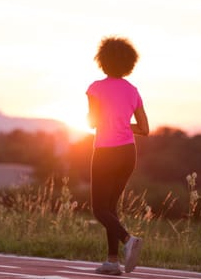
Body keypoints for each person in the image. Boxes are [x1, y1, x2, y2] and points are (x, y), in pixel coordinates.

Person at [86, 36, 149, 275]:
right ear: (128, 64)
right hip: (127, 154)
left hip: (105, 153)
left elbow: (92, 121)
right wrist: (122, 123)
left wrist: (102, 120)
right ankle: (112, 262)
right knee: (110, 208)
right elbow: (144, 129)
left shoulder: (94, 88)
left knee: (99, 209)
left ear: (102, 61)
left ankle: (128, 240)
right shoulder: (133, 91)